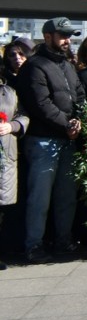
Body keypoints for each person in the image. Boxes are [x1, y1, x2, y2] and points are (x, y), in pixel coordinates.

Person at [15, 18, 86, 264]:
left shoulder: (67, 65)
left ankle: (63, 240)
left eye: (69, 35)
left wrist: (78, 120)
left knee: (66, 197)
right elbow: (40, 104)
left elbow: (79, 95)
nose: (68, 40)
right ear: (48, 37)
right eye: (63, 35)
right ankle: (33, 245)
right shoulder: (35, 66)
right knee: (39, 198)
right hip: (43, 141)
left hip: (67, 140)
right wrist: (67, 125)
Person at [0, 47, 29, 270]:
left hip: (6, 154)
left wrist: (13, 125)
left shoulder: (8, 91)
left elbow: (23, 114)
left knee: (4, 208)